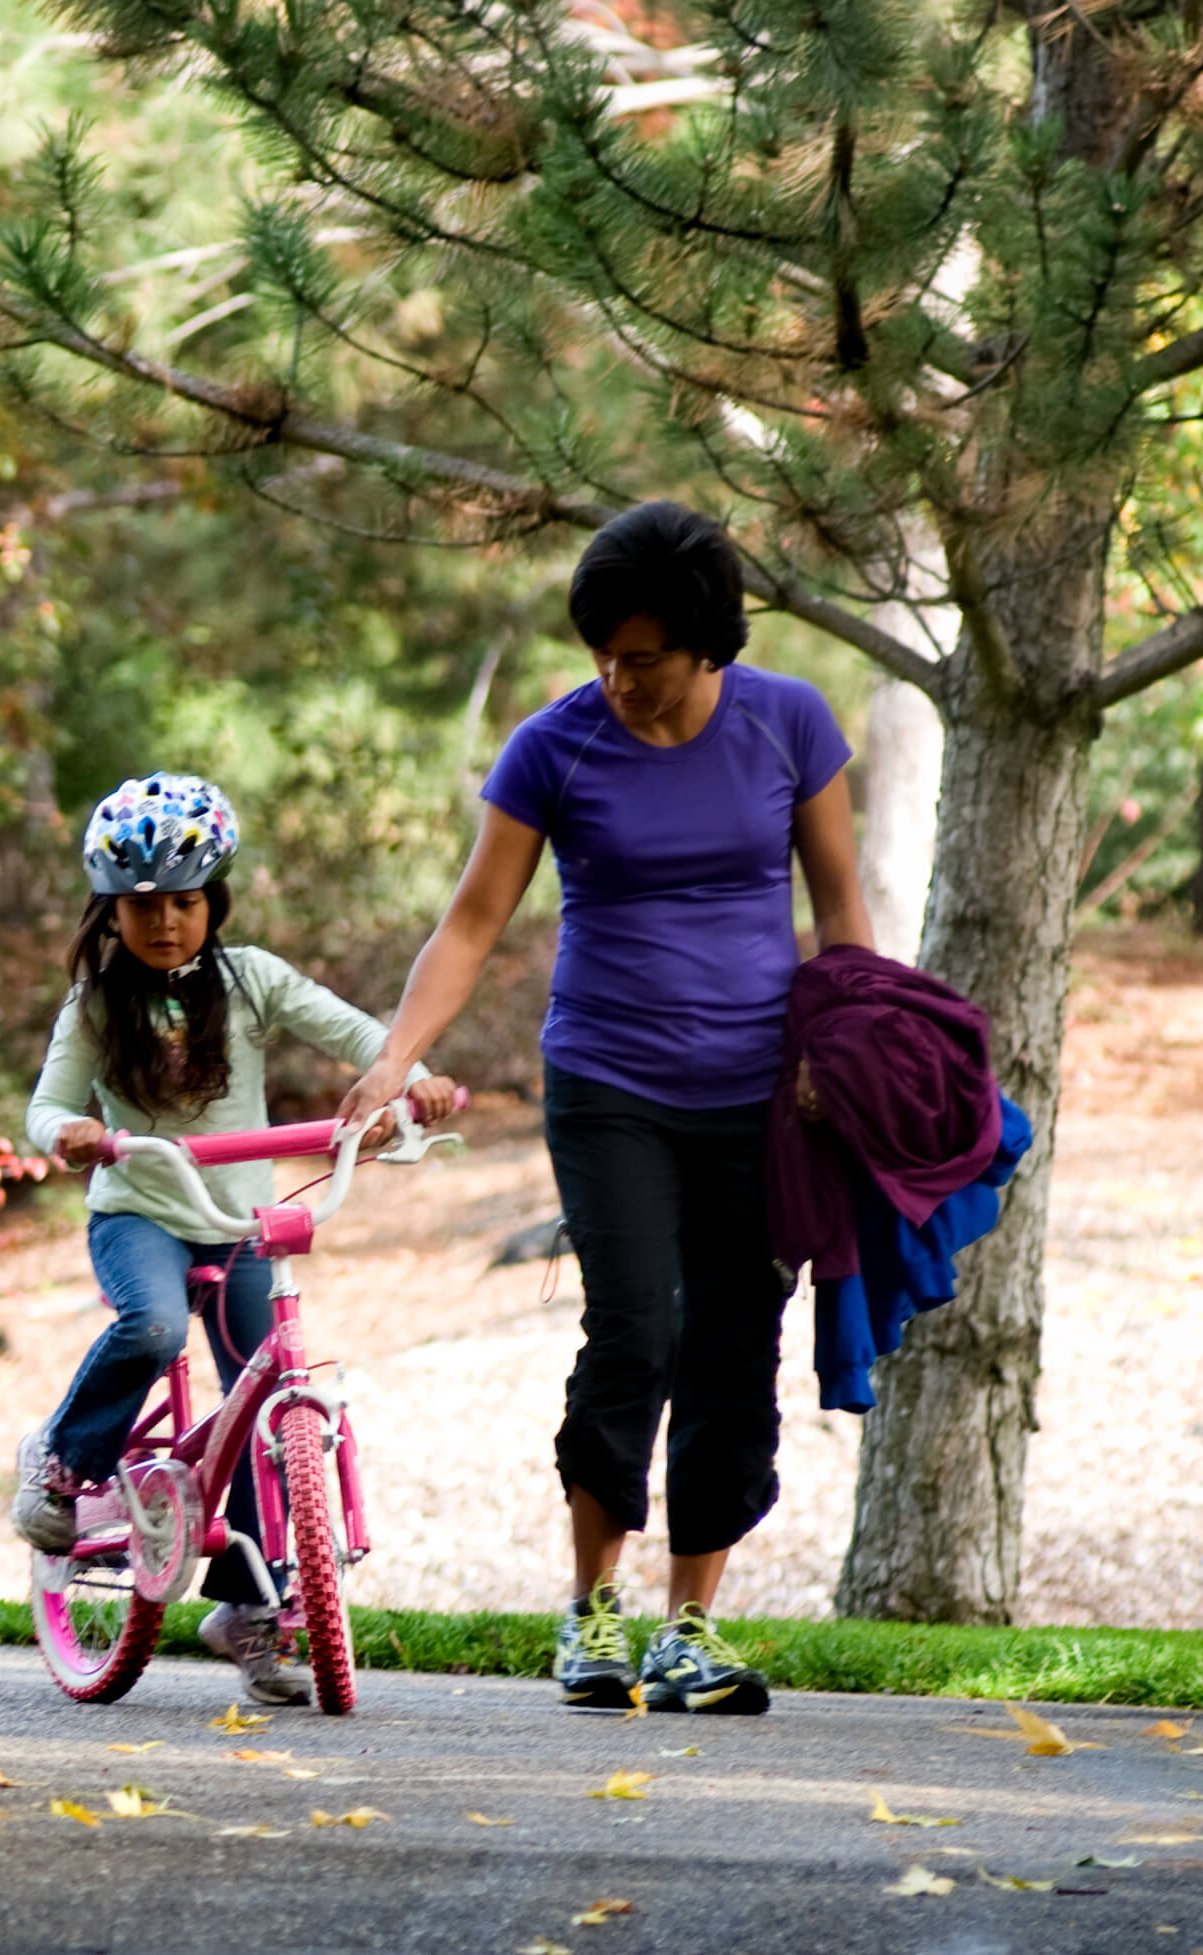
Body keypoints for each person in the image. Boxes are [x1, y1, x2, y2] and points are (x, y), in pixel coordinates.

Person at [333, 501, 873, 1716]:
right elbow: (472, 920)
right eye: (601, 655)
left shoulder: (790, 724)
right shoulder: (553, 744)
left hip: (757, 1090)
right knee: (636, 1327)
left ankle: (692, 1626)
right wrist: (390, 1057)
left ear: (708, 648)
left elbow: (841, 909)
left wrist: (835, 1052)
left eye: (642, 658)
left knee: (737, 1344)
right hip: (609, 1080)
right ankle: (590, 1613)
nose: (615, 678)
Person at [12, 773, 462, 1706]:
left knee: (266, 1395)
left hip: (244, 1221)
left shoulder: (251, 978)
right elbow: (48, 1101)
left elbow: (349, 1029)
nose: (166, 921)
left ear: (213, 899)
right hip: (141, 1212)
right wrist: (68, 1133)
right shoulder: (97, 1002)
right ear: (111, 912)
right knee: (153, 1329)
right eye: (142, 906)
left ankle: (247, 1608)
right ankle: (61, 1461)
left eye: (185, 901)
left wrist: (404, 1071)